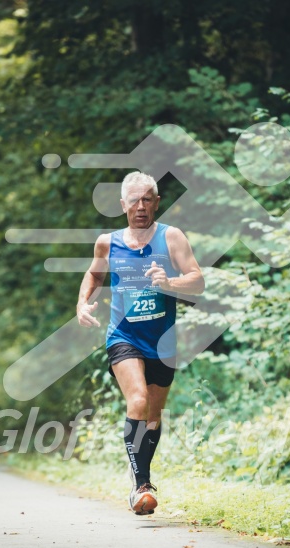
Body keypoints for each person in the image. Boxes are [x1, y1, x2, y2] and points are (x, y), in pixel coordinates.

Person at [76, 171, 204, 515]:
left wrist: (171, 281)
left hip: (162, 341)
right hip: (124, 335)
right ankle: (141, 486)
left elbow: (198, 281)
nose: (141, 206)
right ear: (122, 205)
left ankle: (141, 480)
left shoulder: (172, 237)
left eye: (147, 199)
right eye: (134, 200)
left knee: (153, 416)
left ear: (157, 202)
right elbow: (93, 273)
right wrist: (82, 303)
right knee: (138, 399)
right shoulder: (108, 242)